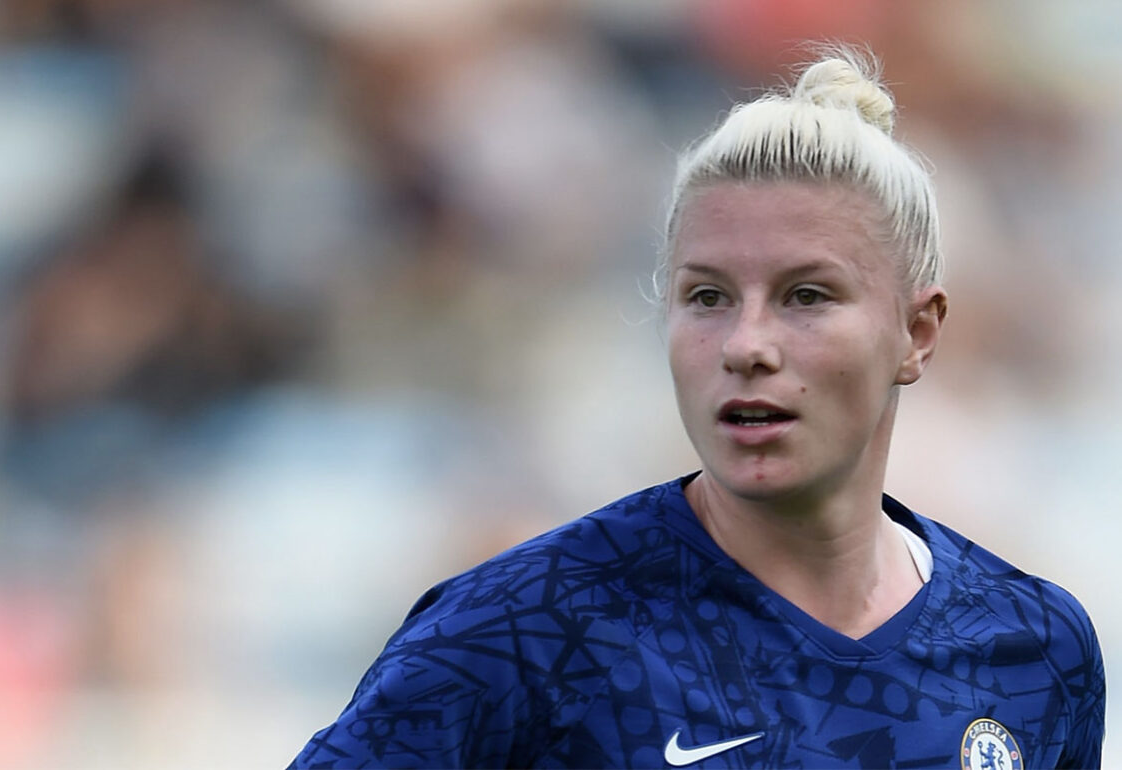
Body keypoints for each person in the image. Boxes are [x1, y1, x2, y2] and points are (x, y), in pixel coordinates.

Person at [288, 46, 1105, 769]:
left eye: (806, 295)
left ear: (915, 334)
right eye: (707, 296)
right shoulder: (519, 632)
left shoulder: (1034, 647)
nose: (746, 343)